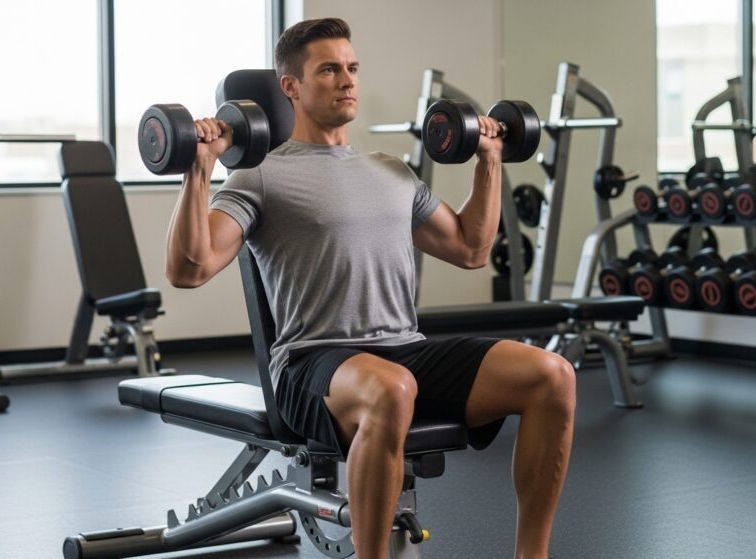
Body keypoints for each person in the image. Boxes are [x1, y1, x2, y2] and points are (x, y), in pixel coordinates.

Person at [165, 17, 575, 559]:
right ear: (291, 87)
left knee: (553, 375)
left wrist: (489, 161)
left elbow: (471, 250)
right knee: (391, 387)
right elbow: (189, 268)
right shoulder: (260, 175)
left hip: (404, 349)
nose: (347, 80)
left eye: (352, 68)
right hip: (313, 362)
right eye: (329, 69)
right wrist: (198, 170)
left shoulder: (392, 171)